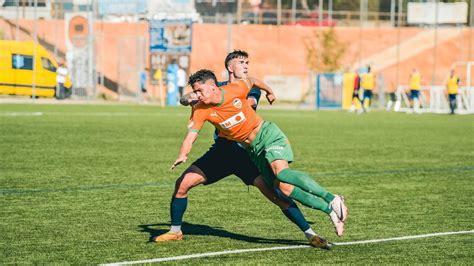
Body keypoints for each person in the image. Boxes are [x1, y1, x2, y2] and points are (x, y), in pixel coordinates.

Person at [154, 51, 331, 249]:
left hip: (245, 154)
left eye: (248, 62)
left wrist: (265, 92)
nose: (246, 66)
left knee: (276, 195)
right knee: (182, 184)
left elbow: (250, 103)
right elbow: (189, 98)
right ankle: (175, 231)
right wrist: (191, 98)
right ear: (230, 67)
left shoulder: (245, 89)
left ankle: (310, 234)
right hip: (221, 152)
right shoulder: (215, 88)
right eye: (241, 62)